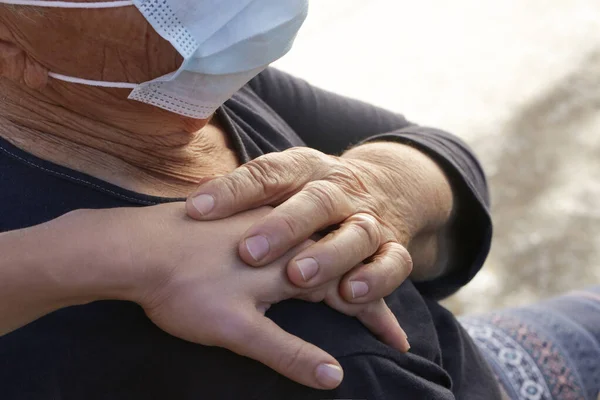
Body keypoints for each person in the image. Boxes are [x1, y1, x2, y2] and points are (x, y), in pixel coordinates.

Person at [1, 1, 596, 399]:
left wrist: (383, 183)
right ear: (10, 41)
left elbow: (438, 154)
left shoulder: (159, 86)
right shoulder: (320, 354)